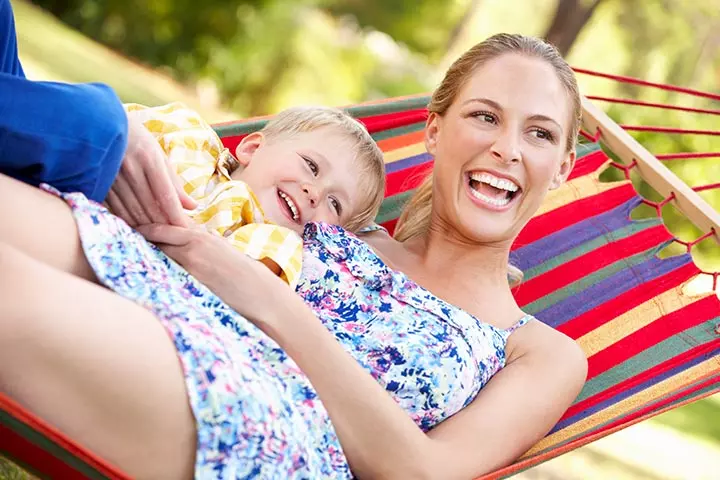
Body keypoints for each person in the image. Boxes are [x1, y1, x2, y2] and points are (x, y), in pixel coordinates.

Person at [0, 33, 588, 480]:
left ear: (562, 168)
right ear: (435, 131)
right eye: (485, 116)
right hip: (150, 279)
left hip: (260, 412)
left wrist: (270, 304)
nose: (506, 148)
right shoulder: (330, 218)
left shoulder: (536, 350)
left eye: (539, 134)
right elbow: (224, 188)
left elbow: (424, 471)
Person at [115, 102, 386, 286]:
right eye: (311, 166)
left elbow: (224, 281)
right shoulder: (189, 138)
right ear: (253, 149)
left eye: (335, 204)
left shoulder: (278, 245)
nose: (314, 193)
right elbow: (103, 121)